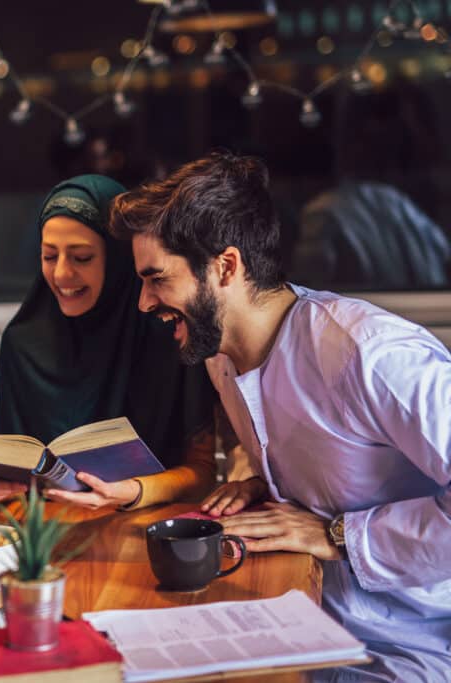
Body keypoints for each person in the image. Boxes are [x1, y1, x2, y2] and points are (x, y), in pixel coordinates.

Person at [110, 152, 451, 681]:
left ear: (226, 267)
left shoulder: (370, 353)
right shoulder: (219, 356)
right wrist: (258, 480)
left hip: (410, 645)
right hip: (300, 621)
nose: (144, 302)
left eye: (157, 279)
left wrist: (339, 536)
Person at [0, 175, 218, 510]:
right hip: (53, 533)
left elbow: (202, 473)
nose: (60, 274)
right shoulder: (22, 342)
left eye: (81, 257)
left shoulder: (169, 334)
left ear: (119, 260)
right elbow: (16, 479)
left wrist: (134, 491)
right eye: (48, 256)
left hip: (146, 525)